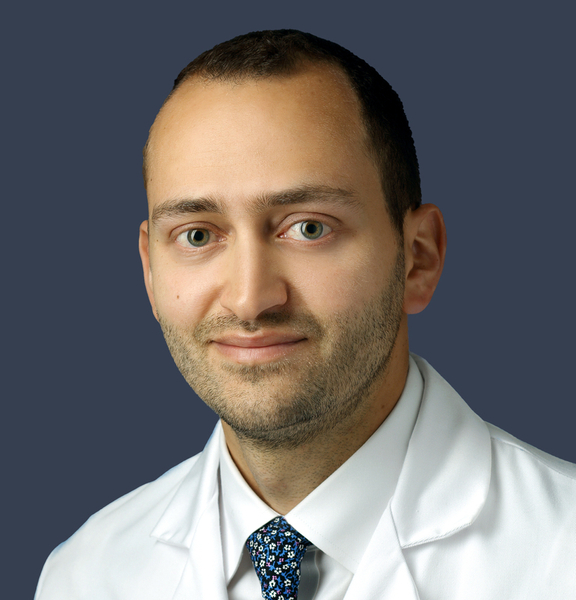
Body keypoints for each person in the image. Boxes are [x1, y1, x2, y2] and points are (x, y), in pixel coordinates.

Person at [35, 29, 576, 600]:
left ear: (418, 258)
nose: (250, 299)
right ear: (150, 271)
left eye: (309, 228)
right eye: (197, 235)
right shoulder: (85, 576)